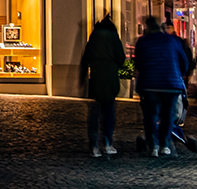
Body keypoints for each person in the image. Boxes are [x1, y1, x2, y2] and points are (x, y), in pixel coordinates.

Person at [134, 15, 189, 157]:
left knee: (151, 114)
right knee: (168, 114)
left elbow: (138, 62)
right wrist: (180, 75)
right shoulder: (171, 40)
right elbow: (183, 61)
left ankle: (153, 146)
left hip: (149, 83)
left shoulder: (143, 41)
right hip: (170, 82)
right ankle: (165, 144)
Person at [81, 16, 124, 156]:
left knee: (94, 113)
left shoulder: (94, 36)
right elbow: (121, 57)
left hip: (96, 76)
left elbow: (85, 57)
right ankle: (107, 143)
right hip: (110, 77)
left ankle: (94, 146)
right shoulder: (113, 36)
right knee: (109, 112)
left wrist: (82, 79)